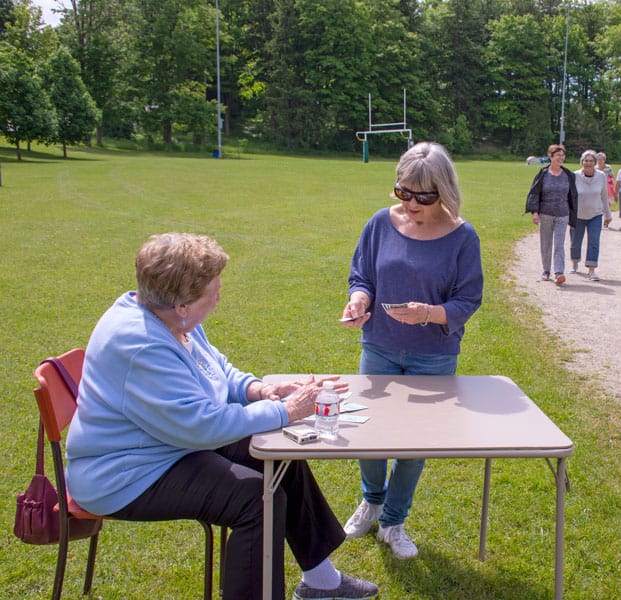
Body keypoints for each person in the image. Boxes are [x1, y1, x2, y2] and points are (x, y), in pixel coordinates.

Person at [65, 233, 378, 600]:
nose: (219, 295)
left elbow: (216, 369)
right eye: (214, 290)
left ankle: (321, 582)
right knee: (257, 502)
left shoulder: (169, 315)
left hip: (164, 447)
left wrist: (259, 391)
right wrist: (285, 410)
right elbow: (202, 426)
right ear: (182, 304)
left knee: (282, 460)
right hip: (123, 474)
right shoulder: (142, 343)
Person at [340, 142, 483, 560]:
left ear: (444, 192)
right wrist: (359, 301)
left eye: (424, 196)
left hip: (433, 356)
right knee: (370, 433)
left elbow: (468, 299)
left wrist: (429, 313)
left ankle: (393, 521)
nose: (412, 204)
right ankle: (372, 500)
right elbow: (361, 274)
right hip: (379, 347)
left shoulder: (462, 236)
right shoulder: (380, 224)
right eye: (404, 192)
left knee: (414, 443)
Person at [525, 144, 577, 285]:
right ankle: (546, 270)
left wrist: (572, 217)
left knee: (559, 244)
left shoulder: (568, 175)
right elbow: (535, 193)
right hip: (546, 213)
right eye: (558, 155)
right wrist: (535, 212)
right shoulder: (543, 174)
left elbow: (573, 197)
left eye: (562, 155)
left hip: (562, 214)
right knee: (546, 243)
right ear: (551, 156)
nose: (561, 157)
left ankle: (559, 272)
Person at [569, 150, 611, 281]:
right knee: (575, 242)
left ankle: (591, 270)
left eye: (591, 161)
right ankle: (575, 263)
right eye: (585, 161)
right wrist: (568, 215)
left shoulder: (601, 176)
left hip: (596, 215)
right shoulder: (575, 176)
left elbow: (604, 195)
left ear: (595, 163)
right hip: (578, 215)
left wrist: (608, 214)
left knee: (594, 241)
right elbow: (569, 197)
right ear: (582, 162)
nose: (588, 163)